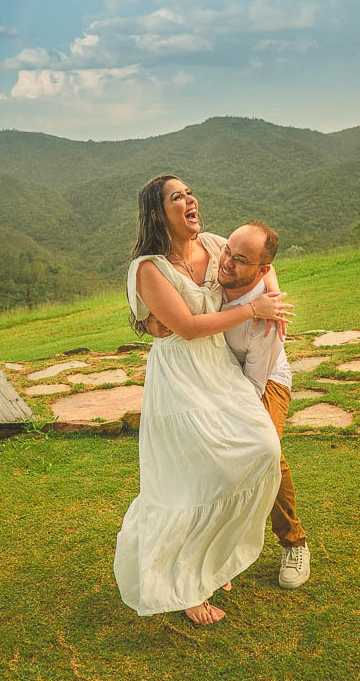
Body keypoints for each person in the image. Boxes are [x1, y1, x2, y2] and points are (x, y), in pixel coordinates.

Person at [113, 175, 293, 626]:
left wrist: (270, 297)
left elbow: (261, 265)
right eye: (178, 197)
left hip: (221, 369)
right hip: (181, 378)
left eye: (189, 192)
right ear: (158, 213)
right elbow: (188, 328)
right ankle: (186, 587)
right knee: (189, 479)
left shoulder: (215, 245)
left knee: (261, 449)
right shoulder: (148, 268)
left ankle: (213, 558)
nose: (190, 200)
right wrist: (253, 310)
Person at [147, 221, 310, 590]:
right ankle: (215, 548)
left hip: (262, 381)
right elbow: (174, 306)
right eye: (227, 252)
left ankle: (294, 542)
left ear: (260, 269)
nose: (226, 262)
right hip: (212, 379)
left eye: (240, 260)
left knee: (264, 450)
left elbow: (253, 387)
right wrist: (148, 322)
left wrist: (224, 420)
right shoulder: (216, 260)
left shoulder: (266, 324)